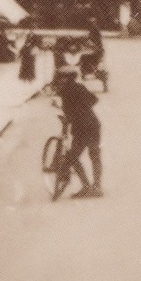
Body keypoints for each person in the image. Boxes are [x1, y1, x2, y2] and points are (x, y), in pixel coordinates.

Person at [52, 65, 102, 198]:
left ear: (64, 79)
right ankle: (97, 187)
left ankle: (86, 186)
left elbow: (68, 113)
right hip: (93, 124)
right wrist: (83, 108)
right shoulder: (80, 87)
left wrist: (69, 115)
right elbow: (94, 100)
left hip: (81, 128)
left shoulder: (65, 91)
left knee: (72, 156)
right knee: (94, 155)